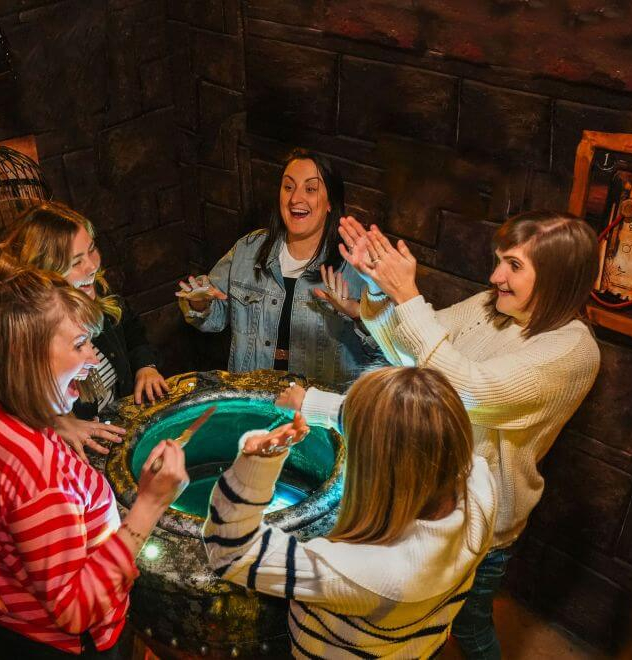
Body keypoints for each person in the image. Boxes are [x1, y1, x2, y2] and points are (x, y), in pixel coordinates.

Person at [281, 210, 601, 659]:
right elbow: (411, 353)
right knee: (417, 630)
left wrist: (408, 295)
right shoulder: (491, 305)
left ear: (557, 277)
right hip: (425, 498)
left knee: (468, 630)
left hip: (480, 525)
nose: (495, 276)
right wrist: (378, 286)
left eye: (513, 266)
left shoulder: (571, 350)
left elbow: (464, 390)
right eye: (498, 260)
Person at [0, 263, 188, 659]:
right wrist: (149, 504)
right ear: (27, 354)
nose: (92, 357)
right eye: (78, 345)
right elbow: (76, 610)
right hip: (65, 646)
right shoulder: (41, 474)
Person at [203, 366, 496, 658]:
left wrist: (255, 464)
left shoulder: (360, 572)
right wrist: (313, 405)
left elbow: (232, 554)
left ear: (375, 472)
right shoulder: (481, 485)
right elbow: (411, 433)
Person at [0, 201, 169, 459]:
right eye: (76, 262)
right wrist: (56, 424)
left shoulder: (91, 289)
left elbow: (131, 327)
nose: (92, 267)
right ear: (41, 274)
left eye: (92, 249)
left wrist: (145, 365)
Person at [176, 148, 385, 389]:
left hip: (316, 413)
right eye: (288, 187)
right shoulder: (248, 249)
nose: (296, 198)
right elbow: (213, 318)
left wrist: (356, 312)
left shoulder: (355, 265)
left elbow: (388, 352)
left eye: (310, 189)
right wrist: (199, 303)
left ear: (330, 203)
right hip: (251, 401)